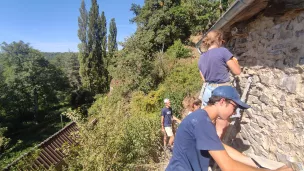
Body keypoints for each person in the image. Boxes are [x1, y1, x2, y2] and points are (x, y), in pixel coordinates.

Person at [166, 86, 293, 171]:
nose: (234, 112)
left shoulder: (202, 118)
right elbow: (229, 167)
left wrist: (252, 162)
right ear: (222, 101)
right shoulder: (201, 121)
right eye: (234, 107)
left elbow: (220, 147)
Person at [198, 30, 241, 139]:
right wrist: (234, 60)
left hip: (208, 90)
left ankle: (208, 148)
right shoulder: (223, 51)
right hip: (222, 91)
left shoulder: (201, 58)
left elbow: (203, 78)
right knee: (221, 127)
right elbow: (237, 71)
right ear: (219, 40)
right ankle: (217, 151)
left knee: (209, 124)